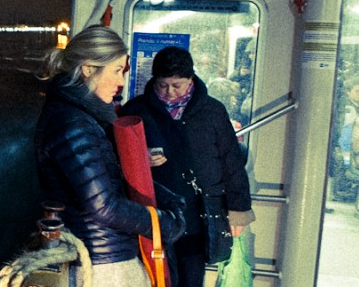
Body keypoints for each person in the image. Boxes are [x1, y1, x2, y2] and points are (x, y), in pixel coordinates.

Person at [34, 26, 187, 287]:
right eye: (117, 70)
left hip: (103, 257)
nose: (122, 82)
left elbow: (112, 180)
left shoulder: (81, 116)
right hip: (104, 266)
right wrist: (165, 224)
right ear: (88, 69)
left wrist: (169, 199)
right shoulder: (73, 124)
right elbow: (104, 206)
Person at [119, 46, 255, 287]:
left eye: (177, 85)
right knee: (154, 277)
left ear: (191, 79)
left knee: (192, 278)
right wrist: (140, 159)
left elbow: (230, 160)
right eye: (163, 85)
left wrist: (239, 208)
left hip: (198, 212)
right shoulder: (136, 110)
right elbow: (117, 157)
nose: (169, 92)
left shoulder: (213, 111)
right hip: (154, 213)